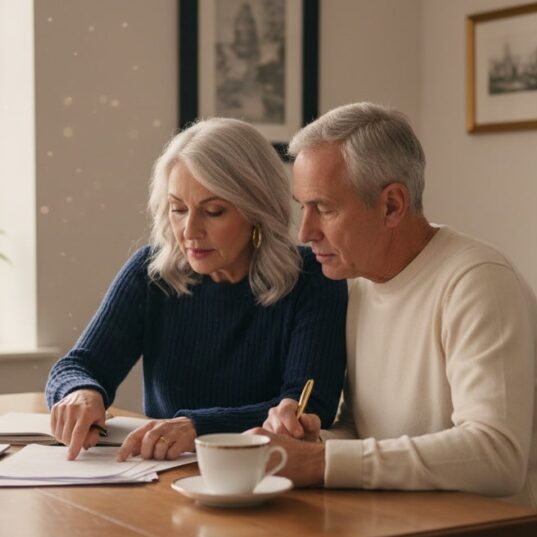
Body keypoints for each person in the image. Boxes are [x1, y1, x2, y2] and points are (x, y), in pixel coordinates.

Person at [254, 103, 537, 537]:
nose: (304, 232)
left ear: (391, 205)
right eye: (302, 207)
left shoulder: (477, 281)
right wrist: (316, 443)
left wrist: (320, 466)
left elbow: (496, 455)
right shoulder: (358, 284)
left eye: (323, 208)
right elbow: (376, 432)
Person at [46, 117, 346, 463]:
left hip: (265, 477)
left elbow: (309, 406)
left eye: (213, 211)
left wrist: (196, 427)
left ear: (256, 210)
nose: (189, 230)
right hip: (158, 475)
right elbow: (79, 365)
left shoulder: (311, 277)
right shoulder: (151, 273)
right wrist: (81, 392)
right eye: (178, 209)